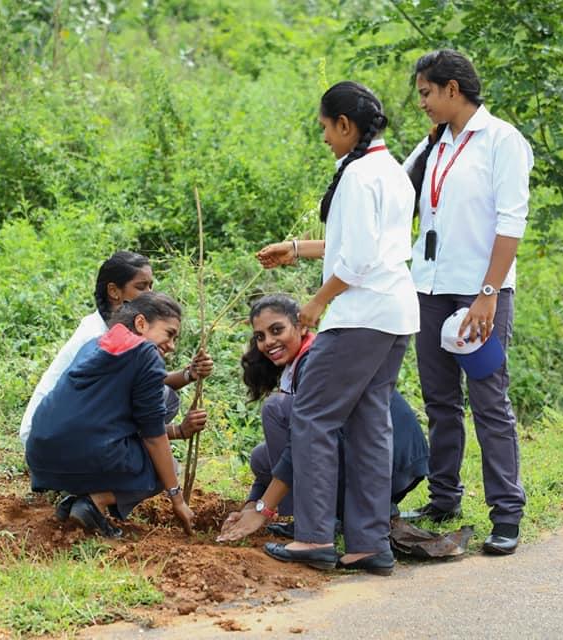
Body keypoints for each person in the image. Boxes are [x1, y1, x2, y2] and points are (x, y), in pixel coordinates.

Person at [253, 81, 419, 575]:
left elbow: (360, 260)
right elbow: (365, 246)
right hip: (395, 313)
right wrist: (299, 248)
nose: (325, 137)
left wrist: (316, 304)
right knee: (370, 424)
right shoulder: (393, 171)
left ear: (344, 125)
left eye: (326, 127)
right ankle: (369, 544)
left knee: (311, 417)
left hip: (360, 315)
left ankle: (315, 537)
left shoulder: (357, 175)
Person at [401, 49, 533, 555]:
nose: (423, 103)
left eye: (426, 93)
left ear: (452, 89)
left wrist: (488, 295)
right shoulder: (435, 143)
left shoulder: (503, 141)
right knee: (440, 403)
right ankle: (444, 499)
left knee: (488, 402)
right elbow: (404, 200)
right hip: (429, 288)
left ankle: (507, 514)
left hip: (479, 292)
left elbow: (510, 222)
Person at [217, 294, 428, 542]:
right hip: (392, 465)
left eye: (277, 330)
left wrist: (265, 510)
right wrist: (252, 504)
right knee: (262, 457)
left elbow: (299, 444)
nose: (268, 342)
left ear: (301, 325)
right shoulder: (308, 358)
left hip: (388, 468)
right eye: (260, 337)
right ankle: (338, 511)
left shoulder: (317, 363)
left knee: (275, 409)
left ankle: (313, 520)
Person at [25, 292, 194, 537]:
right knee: (166, 466)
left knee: (162, 399)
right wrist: (176, 498)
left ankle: (74, 500)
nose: (171, 346)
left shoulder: (96, 342)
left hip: (41, 458)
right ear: (141, 323)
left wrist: (188, 378)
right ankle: (94, 502)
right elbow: (153, 436)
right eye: (169, 334)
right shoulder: (145, 353)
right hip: (86, 454)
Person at [18, 251, 212, 448]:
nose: (150, 293)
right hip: (49, 434)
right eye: (141, 287)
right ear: (114, 291)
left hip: (56, 430)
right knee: (161, 398)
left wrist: (189, 374)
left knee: (164, 396)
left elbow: (143, 380)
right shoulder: (97, 337)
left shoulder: (116, 329)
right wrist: (175, 432)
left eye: (151, 286)